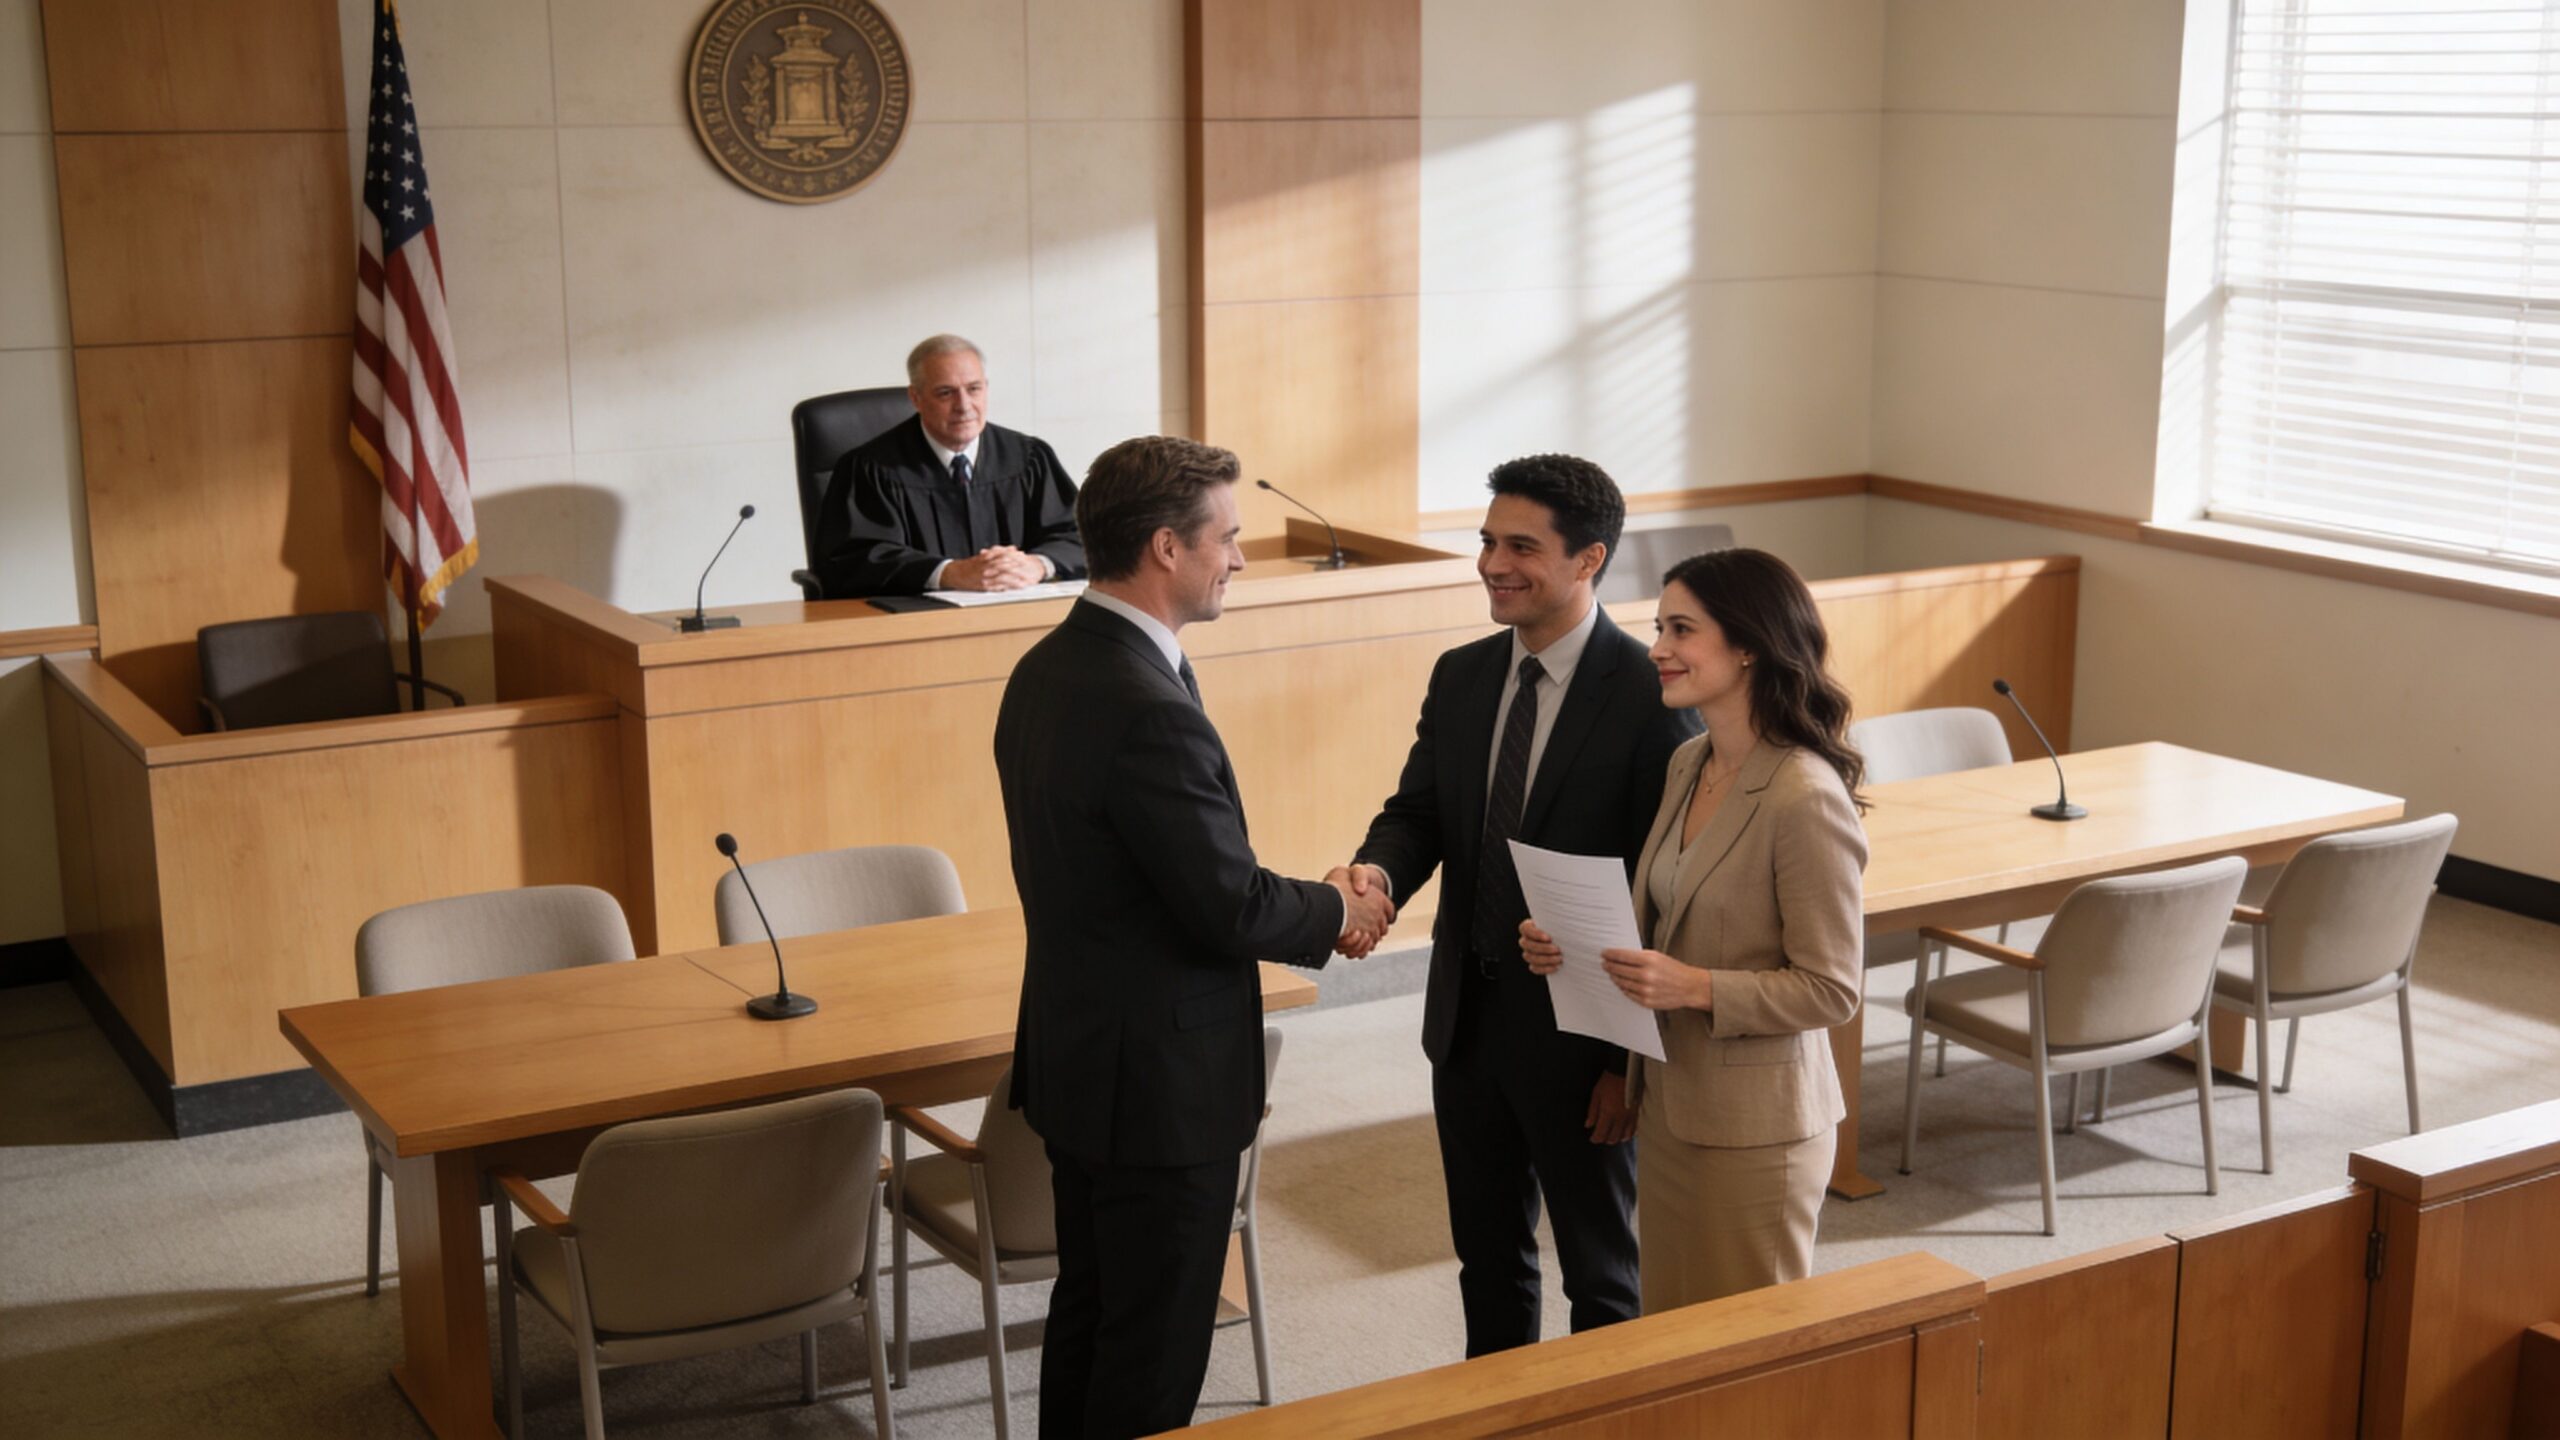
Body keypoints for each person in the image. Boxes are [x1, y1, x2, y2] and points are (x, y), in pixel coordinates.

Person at [995, 434, 1392, 1439]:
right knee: (1153, 1347)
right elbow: (1224, 902)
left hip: (1081, 1057)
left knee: (1089, 1311)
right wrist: (1338, 908)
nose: (1241, 560)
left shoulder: (1047, 667)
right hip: (1156, 1088)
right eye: (1229, 537)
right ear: (1167, 547)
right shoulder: (1143, 703)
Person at [1341, 455, 1699, 1356]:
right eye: (1487, 541)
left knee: (1602, 1277)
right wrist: (1378, 875)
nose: (1493, 563)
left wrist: (1628, 1064)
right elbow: (1419, 812)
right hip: (1466, 1021)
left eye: (1521, 546)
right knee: (1487, 1262)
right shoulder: (1461, 675)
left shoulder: (1652, 694)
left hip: (1585, 1042)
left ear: (1589, 560)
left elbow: (1665, 889)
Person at [1522, 547, 1866, 1310]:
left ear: (1748, 644)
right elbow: (1662, 923)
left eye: (1682, 629)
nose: (1658, 650)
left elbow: (1832, 988)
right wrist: (1567, 946)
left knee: (1747, 1363)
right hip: (1674, 1108)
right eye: (1658, 627)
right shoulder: (1690, 762)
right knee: (1673, 1343)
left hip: (1757, 1132)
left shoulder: (1803, 796)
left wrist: (1697, 988)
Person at [814, 334, 1086, 596]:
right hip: (914, 630)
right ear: (915, 398)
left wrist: (1038, 564)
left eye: (974, 389)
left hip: (1019, 619)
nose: (964, 405)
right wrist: (948, 573)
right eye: (946, 393)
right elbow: (852, 561)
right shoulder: (870, 469)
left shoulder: (1029, 458)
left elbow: (1085, 536)